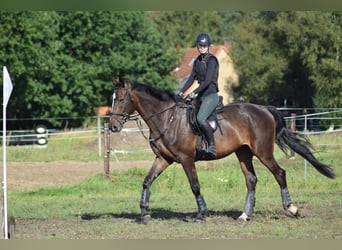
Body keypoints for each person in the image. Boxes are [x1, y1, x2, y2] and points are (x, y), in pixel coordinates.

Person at [178, 32, 220, 157]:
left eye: (204, 45)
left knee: (200, 119)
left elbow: (207, 81)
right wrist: (181, 92)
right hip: (201, 95)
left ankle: (212, 145)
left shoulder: (212, 60)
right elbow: (191, 79)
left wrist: (194, 92)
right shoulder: (197, 60)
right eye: (200, 45)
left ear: (208, 46)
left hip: (210, 95)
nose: (202, 47)